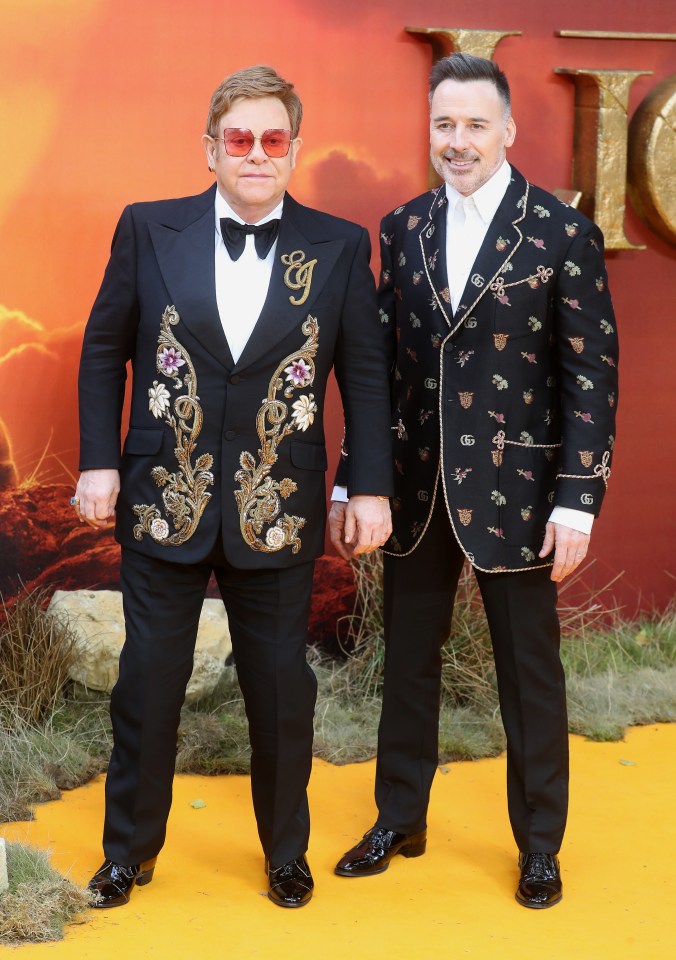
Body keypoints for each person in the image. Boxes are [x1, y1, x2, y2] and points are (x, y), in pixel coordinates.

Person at [73, 65, 392, 910]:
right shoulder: (148, 230)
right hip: (161, 496)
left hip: (278, 508)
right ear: (211, 148)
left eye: (274, 139)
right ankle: (127, 856)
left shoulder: (340, 243)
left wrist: (366, 487)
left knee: (284, 689)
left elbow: (364, 379)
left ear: (295, 150)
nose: (257, 153)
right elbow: (105, 348)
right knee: (147, 681)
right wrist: (97, 462)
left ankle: (286, 853)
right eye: (240, 139)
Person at [330, 52, 618, 909]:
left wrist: (578, 499)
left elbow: (591, 377)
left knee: (530, 675)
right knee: (407, 662)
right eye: (443, 125)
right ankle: (400, 817)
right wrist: (356, 481)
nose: (457, 142)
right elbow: (375, 365)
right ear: (431, 131)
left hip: (521, 500)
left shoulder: (561, 233)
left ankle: (539, 845)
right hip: (415, 492)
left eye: (474, 125)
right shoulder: (403, 226)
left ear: (509, 132)